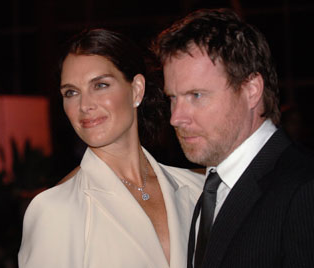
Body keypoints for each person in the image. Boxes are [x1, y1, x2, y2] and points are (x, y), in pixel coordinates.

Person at [18, 28, 204, 268]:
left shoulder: (198, 189)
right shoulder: (55, 210)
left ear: (136, 89)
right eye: (71, 92)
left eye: (100, 85)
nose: (84, 105)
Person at [153, 8, 314, 268]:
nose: (176, 117)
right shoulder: (213, 186)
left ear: (251, 91)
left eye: (196, 95)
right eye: (173, 97)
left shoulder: (304, 190)